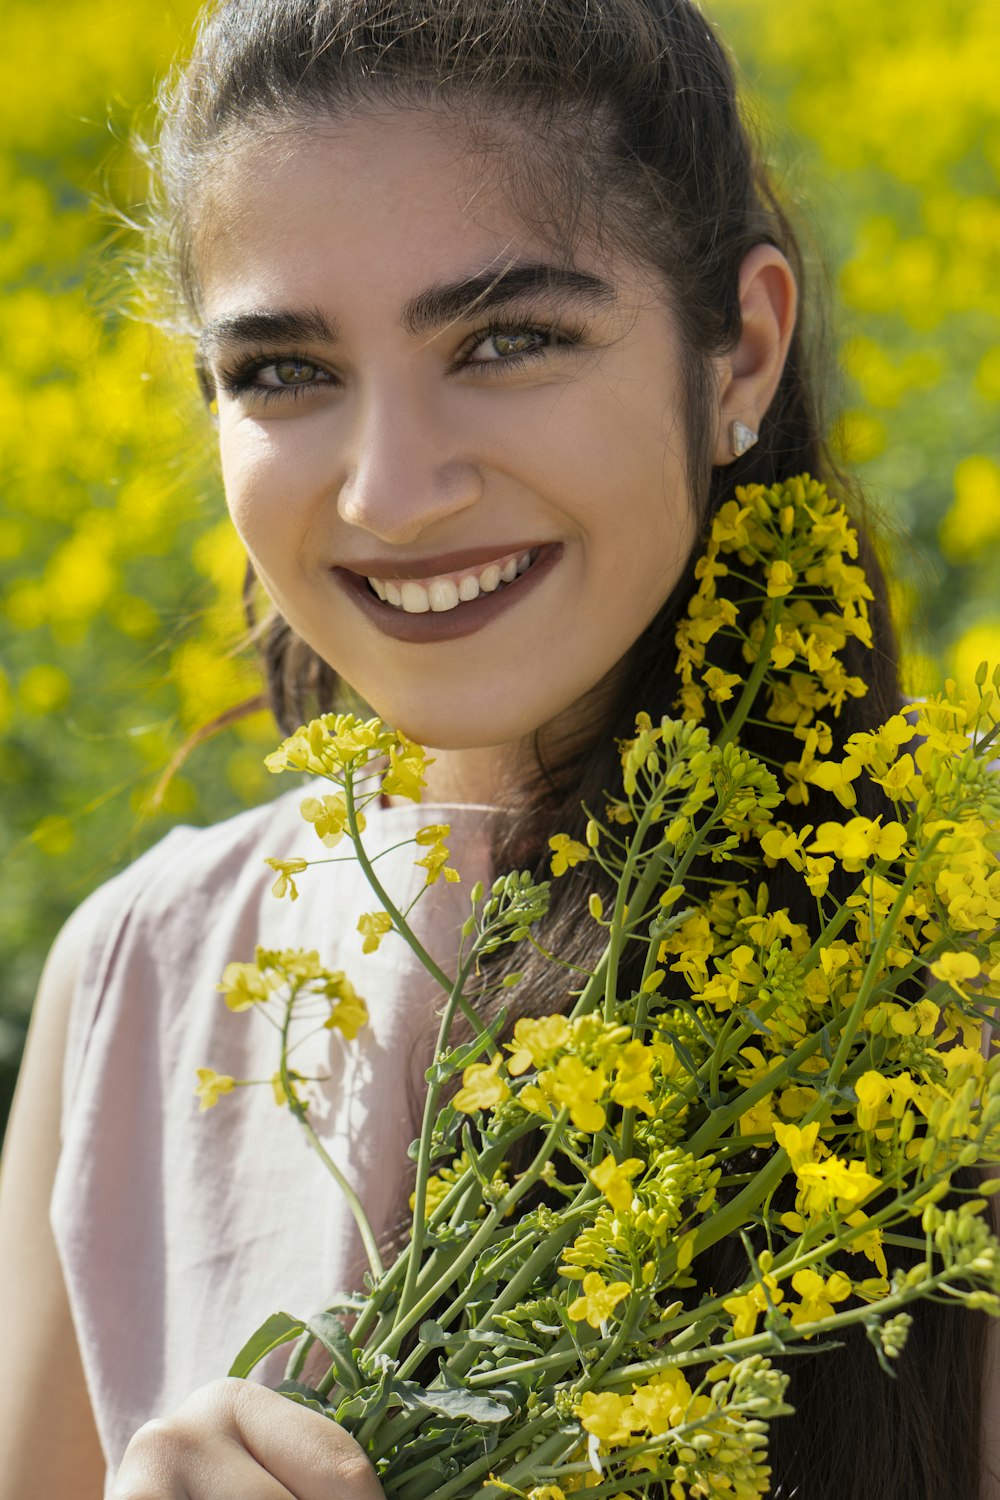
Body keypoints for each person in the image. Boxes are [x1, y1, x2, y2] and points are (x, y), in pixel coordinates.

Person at [0, 1, 993, 1497]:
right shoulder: (131, 979)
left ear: (741, 354)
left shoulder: (951, 1011)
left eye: (508, 339)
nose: (393, 494)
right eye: (284, 372)